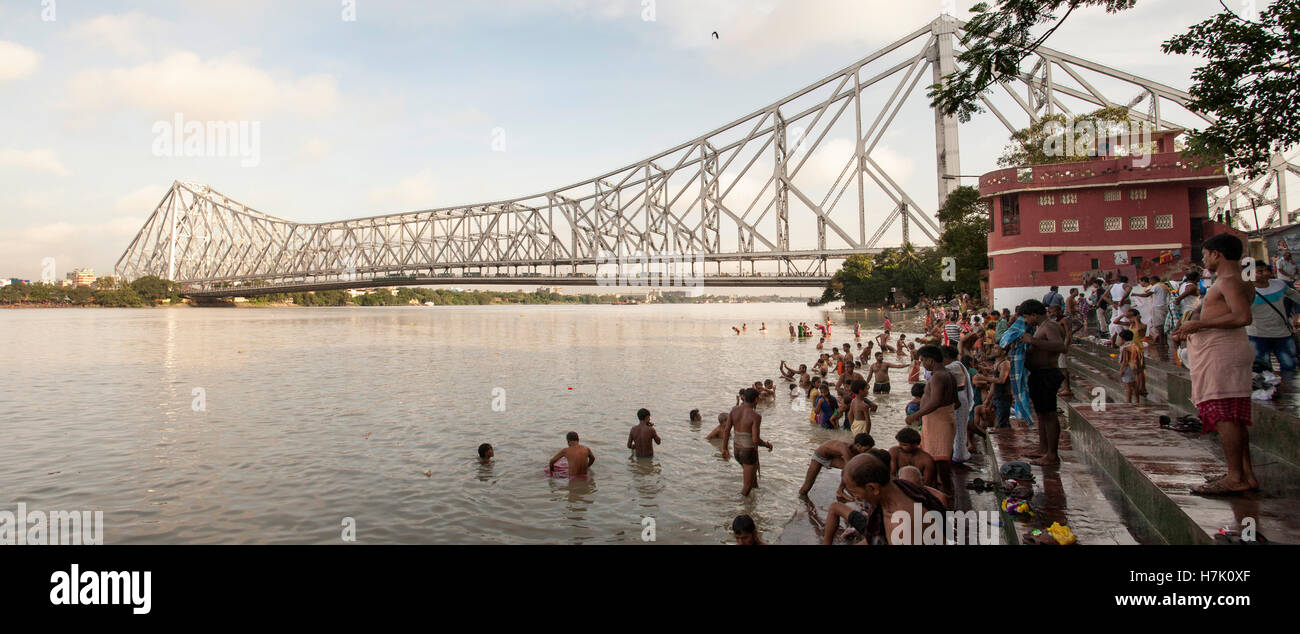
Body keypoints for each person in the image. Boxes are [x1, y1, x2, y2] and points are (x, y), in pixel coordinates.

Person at [1172, 234, 1257, 495]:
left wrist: (1199, 324)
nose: (1204, 259)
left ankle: (1235, 477)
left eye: (1206, 254)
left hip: (1223, 353)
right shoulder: (1236, 280)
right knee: (1232, 416)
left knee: (1224, 417)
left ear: (1217, 254)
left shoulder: (1229, 280)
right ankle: (1245, 475)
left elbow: (1243, 316)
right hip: (1224, 352)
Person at [820, 453, 946, 545]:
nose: (855, 498)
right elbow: (877, 537)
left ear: (873, 488)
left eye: (854, 492)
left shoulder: (901, 524)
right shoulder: (895, 487)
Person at [903, 345, 957, 493]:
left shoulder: (938, 376)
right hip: (942, 418)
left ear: (930, 360)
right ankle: (940, 489)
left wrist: (915, 415)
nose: (922, 364)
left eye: (922, 360)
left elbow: (936, 401)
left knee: (940, 460)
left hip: (939, 421)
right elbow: (956, 401)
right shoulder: (948, 374)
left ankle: (947, 492)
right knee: (937, 457)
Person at [720, 388, 772, 497]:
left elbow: (726, 430)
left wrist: (724, 448)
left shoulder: (734, 410)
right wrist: (767, 444)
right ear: (756, 400)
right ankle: (737, 506)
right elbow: (755, 440)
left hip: (737, 451)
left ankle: (752, 506)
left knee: (753, 482)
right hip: (748, 452)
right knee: (747, 487)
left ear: (744, 397)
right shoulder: (755, 416)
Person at [1248, 263, 1300, 371]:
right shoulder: (1245, 291)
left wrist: (1297, 314)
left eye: (1266, 270)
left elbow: (1295, 296)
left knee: (1289, 366)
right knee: (1261, 370)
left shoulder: (1280, 285)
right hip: (1257, 336)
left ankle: (1288, 388)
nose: (1265, 274)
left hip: (1282, 335)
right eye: (1260, 272)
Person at [798, 433, 875, 498]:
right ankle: (801, 499)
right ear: (858, 446)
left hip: (832, 458)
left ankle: (840, 491)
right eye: (866, 450)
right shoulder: (845, 449)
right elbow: (850, 470)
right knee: (806, 487)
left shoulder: (856, 448)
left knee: (852, 468)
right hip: (819, 457)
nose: (867, 452)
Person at [1117, 330, 1143, 403]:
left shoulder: (1125, 348)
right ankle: (1137, 401)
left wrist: (1121, 370)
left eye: (1119, 338)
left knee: (1128, 386)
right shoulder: (1133, 345)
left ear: (1123, 339)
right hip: (1134, 366)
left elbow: (1125, 361)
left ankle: (1128, 402)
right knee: (1134, 385)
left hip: (1127, 368)